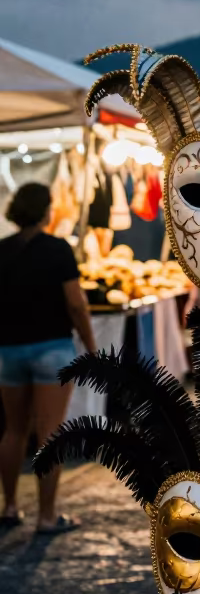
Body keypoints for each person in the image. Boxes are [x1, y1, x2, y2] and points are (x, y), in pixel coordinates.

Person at [0, 183, 98, 533]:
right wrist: (90, 345)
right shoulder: (58, 249)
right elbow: (75, 303)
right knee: (49, 434)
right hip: (51, 348)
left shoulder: (2, 250)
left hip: (9, 349)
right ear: (46, 210)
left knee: (13, 430)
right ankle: (45, 516)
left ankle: (9, 507)